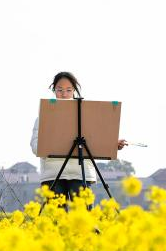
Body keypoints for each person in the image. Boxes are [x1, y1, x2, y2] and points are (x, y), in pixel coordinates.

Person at [30, 71, 127, 202]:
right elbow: (35, 147)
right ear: (54, 90)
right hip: (53, 174)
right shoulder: (43, 117)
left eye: (69, 90)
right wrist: (49, 143)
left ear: (74, 91)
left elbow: (96, 139)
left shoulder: (87, 115)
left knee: (83, 217)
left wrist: (112, 143)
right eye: (59, 90)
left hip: (81, 173)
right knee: (56, 219)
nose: (64, 94)